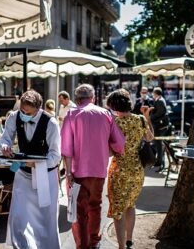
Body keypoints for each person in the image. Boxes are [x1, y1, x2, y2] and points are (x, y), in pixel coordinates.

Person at [61, 84, 125, 249]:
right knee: (95, 206)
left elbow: (66, 148)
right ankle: (94, 241)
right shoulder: (105, 114)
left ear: (77, 99)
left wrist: (68, 172)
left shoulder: (71, 114)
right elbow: (119, 143)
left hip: (77, 170)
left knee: (80, 211)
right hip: (98, 169)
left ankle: (83, 244)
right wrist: (110, 150)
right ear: (93, 98)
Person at [0, 90, 62, 249]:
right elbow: (4, 139)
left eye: (28, 113)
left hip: (45, 177)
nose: (24, 114)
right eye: (22, 111)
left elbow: (55, 156)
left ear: (39, 109)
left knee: (46, 220)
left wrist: (36, 164)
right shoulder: (14, 117)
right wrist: (5, 146)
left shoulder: (51, 123)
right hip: (23, 175)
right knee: (19, 217)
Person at [106, 89, 154, 249]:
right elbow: (149, 138)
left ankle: (120, 246)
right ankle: (129, 240)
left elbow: (110, 151)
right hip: (137, 169)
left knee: (117, 210)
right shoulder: (140, 119)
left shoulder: (114, 123)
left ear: (113, 106)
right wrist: (146, 117)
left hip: (119, 169)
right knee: (130, 205)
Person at [150, 87, 171, 172]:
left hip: (160, 126)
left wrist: (151, 117)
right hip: (159, 125)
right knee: (157, 144)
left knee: (158, 144)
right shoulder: (160, 100)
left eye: (153, 93)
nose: (152, 95)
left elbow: (160, 113)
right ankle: (158, 161)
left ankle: (159, 162)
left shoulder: (160, 101)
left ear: (155, 93)